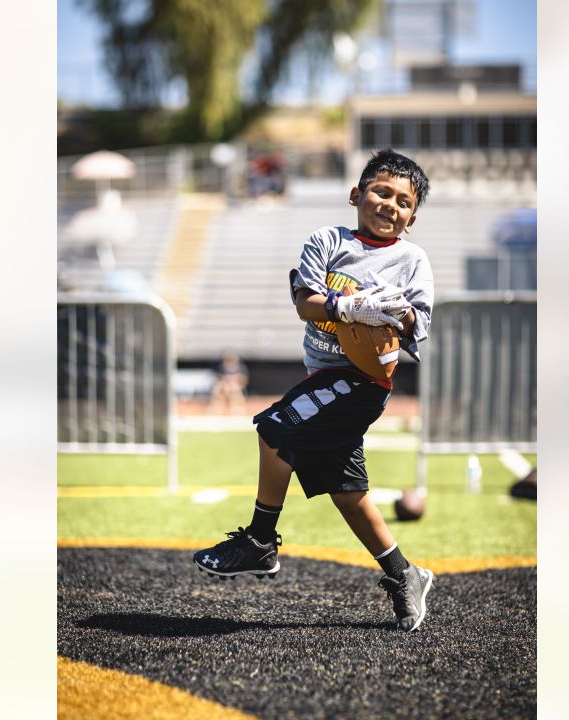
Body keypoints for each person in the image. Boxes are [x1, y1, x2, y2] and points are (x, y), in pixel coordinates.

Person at [193, 149, 436, 631]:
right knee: (348, 494)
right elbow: (306, 303)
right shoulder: (327, 240)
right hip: (323, 379)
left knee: (274, 428)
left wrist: (393, 309)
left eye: (403, 201)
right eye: (380, 191)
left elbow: (419, 322)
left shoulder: (411, 260)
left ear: (412, 219)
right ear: (356, 195)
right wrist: (350, 307)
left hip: (363, 381)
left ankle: (261, 541)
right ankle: (405, 574)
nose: (390, 204)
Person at [206, 351, 249, 415]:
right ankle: (215, 409)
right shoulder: (220, 367)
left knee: (235, 391)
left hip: (235, 387)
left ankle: (237, 409)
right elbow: (217, 378)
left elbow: (244, 380)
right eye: (228, 360)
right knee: (217, 389)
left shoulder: (241, 368)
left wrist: (233, 384)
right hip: (223, 386)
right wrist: (225, 384)